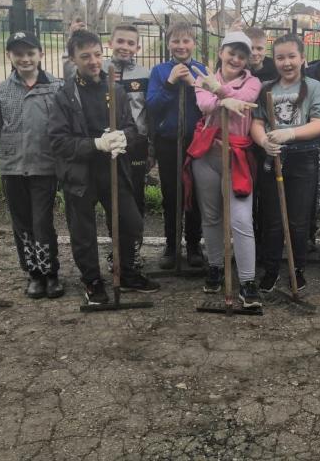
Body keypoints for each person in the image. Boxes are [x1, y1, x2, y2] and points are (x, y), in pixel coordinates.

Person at [49, 29, 160, 305]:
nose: (94, 61)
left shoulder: (115, 90)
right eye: (85, 56)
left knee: (131, 223)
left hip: (113, 170)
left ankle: (127, 272)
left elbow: (131, 128)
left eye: (97, 54)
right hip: (80, 174)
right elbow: (59, 142)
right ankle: (92, 280)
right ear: (73, 59)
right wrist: (95, 144)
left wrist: (124, 137)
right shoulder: (65, 95)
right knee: (83, 231)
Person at [0, 31, 64, 299]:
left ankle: (51, 273)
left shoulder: (56, 87)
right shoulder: (3, 90)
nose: (25, 58)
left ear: (40, 54)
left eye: (30, 53)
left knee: (42, 222)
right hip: (12, 167)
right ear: (9, 56)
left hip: (44, 167)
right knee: (22, 224)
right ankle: (34, 274)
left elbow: (64, 127)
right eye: (18, 54)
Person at [251, 33, 320, 293]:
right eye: (280, 57)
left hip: (303, 159)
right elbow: (257, 122)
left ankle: (296, 269)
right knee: (273, 219)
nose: (286, 62)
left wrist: (290, 133)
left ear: (302, 58)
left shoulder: (315, 88)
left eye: (291, 56)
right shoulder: (266, 89)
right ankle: (271, 269)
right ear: (274, 60)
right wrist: (263, 141)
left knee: (298, 220)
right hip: (273, 157)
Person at [188, 31, 262, 308]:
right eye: (231, 53)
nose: (236, 59)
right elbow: (204, 104)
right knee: (211, 216)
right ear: (221, 53)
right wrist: (222, 98)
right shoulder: (203, 78)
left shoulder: (253, 82)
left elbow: (245, 100)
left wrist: (219, 91)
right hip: (207, 155)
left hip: (237, 157)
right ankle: (216, 266)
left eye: (242, 56)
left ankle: (247, 281)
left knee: (241, 220)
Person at [146, 21, 204, 269]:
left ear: (194, 43)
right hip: (168, 142)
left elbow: (208, 105)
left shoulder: (201, 70)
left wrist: (193, 83)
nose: (181, 45)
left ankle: (193, 245)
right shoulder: (159, 71)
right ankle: (171, 245)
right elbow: (152, 106)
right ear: (168, 43)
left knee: (194, 195)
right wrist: (169, 83)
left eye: (186, 40)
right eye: (175, 41)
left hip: (196, 142)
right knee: (171, 195)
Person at [103, 24, 150, 269]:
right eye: (120, 41)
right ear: (110, 43)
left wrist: (150, 146)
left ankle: (133, 251)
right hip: (108, 144)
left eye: (131, 43)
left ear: (137, 47)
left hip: (136, 144)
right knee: (112, 197)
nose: (125, 47)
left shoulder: (144, 74)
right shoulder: (99, 70)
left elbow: (148, 111)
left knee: (135, 198)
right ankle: (116, 249)